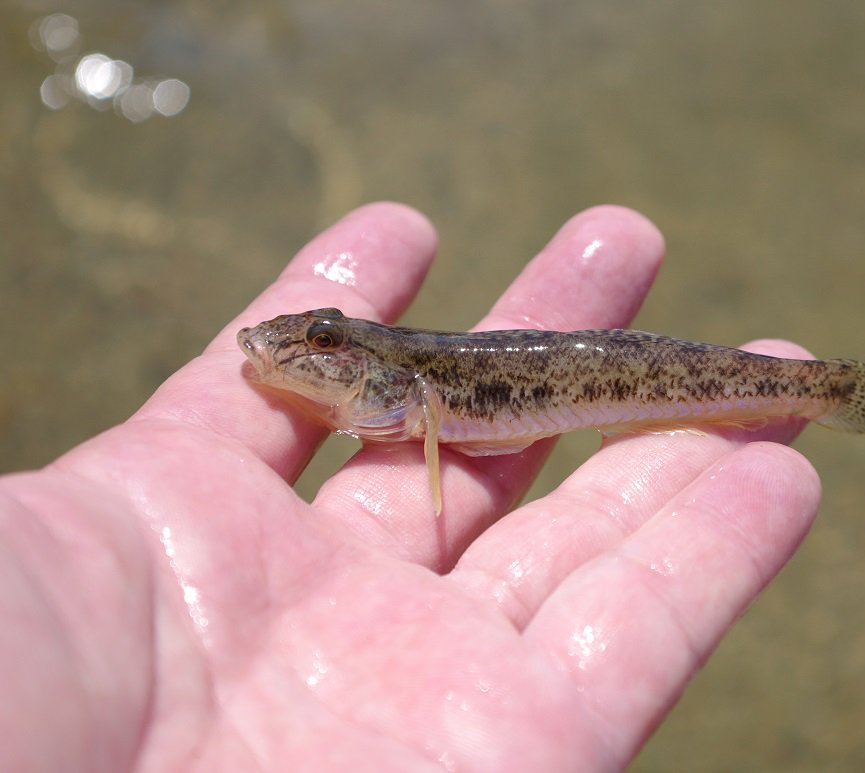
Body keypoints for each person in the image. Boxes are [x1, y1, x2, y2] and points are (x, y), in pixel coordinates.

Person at [0, 203, 820, 770]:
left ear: (378, 368)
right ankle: (821, 388)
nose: (300, 352)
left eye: (323, 341)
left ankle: (822, 388)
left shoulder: (416, 384)